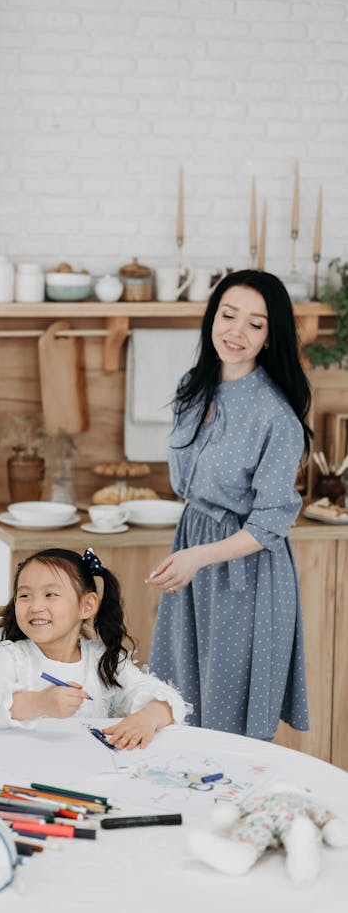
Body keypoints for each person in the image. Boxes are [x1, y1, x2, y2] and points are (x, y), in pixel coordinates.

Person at [147, 269, 312, 740]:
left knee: (227, 719)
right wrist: (191, 553)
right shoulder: (191, 388)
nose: (236, 332)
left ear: (268, 336)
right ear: (212, 317)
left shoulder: (277, 418)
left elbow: (269, 524)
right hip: (192, 549)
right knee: (178, 700)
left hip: (247, 574)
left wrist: (198, 557)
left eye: (255, 324)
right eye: (228, 315)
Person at [0, 547, 187, 747]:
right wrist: (42, 702)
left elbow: (168, 699)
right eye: (24, 595)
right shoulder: (13, 656)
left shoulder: (101, 659)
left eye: (50, 595)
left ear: (87, 605)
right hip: (23, 765)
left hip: (89, 765)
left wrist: (145, 719)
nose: (35, 606)